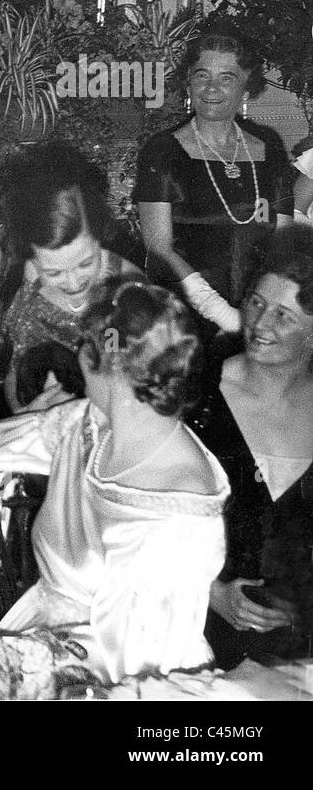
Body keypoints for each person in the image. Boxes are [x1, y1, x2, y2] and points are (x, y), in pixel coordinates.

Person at [0, 281, 229, 698]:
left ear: (103, 366)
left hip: (109, 681)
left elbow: (134, 656)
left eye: (84, 350)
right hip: (38, 635)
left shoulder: (178, 512)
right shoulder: (92, 423)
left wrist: (6, 663)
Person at [188, 225, 313, 668]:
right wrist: (209, 592)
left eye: (284, 315)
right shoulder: (196, 394)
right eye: (257, 303)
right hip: (196, 643)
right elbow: (134, 520)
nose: (259, 324)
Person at [135, 19, 293, 335]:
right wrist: (222, 315)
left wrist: (260, 312)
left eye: (226, 77)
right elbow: (158, 247)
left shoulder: (270, 146)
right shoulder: (162, 150)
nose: (212, 88)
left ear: (246, 84)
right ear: (189, 82)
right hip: (183, 319)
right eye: (202, 75)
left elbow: (283, 240)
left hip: (257, 318)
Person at [0, 142, 140, 413]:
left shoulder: (127, 292)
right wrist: (25, 415)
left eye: (86, 263)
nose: (74, 284)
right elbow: (16, 370)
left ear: (100, 237)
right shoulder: (30, 283)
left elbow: (134, 392)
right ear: (31, 259)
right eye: (54, 272)